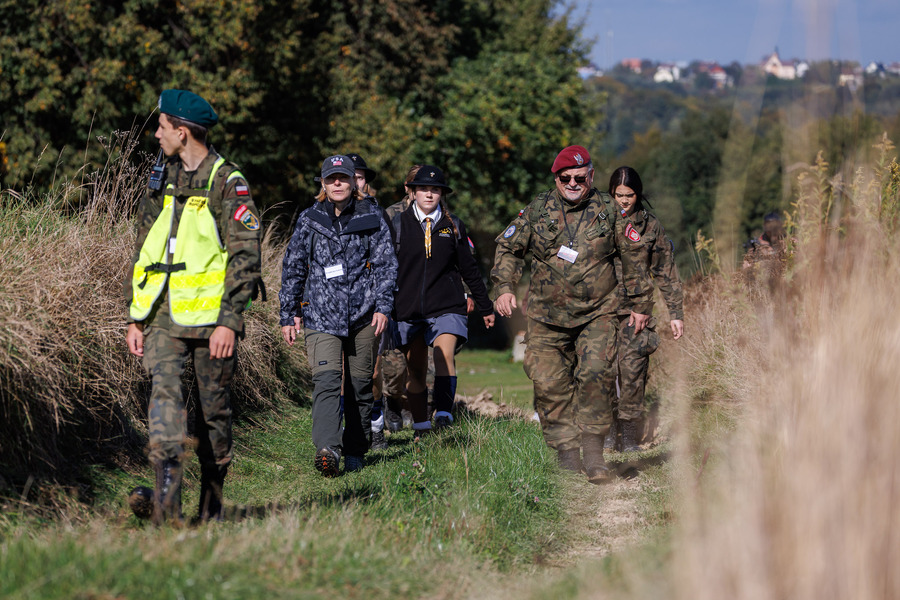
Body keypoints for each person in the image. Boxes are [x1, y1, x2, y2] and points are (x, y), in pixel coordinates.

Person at [125, 89, 262, 525]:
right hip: (164, 314)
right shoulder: (159, 176)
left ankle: (212, 503)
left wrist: (229, 320)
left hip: (213, 320)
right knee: (163, 400)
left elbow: (246, 256)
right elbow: (146, 246)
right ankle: (166, 507)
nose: (157, 135)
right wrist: (137, 315)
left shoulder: (227, 181)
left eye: (162, 127)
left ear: (182, 133)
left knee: (213, 413)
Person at [491, 145, 654, 484]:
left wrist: (640, 304)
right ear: (557, 178)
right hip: (545, 316)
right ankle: (567, 455)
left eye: (580, 177)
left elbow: (634, 257)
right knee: (550, 385)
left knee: (596, 376)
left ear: (591, 176)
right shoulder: (539, 209)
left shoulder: (609, 210)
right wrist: (505, 286)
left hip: (598, 313)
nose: (573, 183)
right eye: (566, 178)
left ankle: (594, 455)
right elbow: (508, 247)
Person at [279, 155, 397, 476]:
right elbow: (292, 268)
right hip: (320, 316)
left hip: (363, 316)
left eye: (343, 178)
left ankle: (356, 448)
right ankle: (328, 448)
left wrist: (384, 307)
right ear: (323, 183)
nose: (338, 184)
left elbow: (386, 265)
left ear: (353, 181)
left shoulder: (371, 216)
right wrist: (289, 314)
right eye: (331, 179)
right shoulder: (309, 220)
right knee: (327, 382)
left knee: (359, 386)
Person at [392, 165, 495, 434]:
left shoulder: (453, 225)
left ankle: (444, 414)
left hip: (447, 306)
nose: (429, 194)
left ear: (442, 194)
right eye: (424, 188)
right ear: (412, 192)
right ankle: (422, 425)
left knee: (443, 354)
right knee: (415, 371)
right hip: (408, 309)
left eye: (435, 190)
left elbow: (469, 270)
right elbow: (385, 268)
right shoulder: (396, 225)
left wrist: (485, 305)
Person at [605, 166, 684, 452]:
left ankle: (628, 438)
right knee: (601, 373)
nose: (624, 201)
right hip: (599, 310)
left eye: (629, 195)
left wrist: (676, 313)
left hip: (637, 312)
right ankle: (607, 434)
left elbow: (665, 271)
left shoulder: (650, 226)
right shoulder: (597, 222)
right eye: (618, 195)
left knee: (633, 374)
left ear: (638, 194)